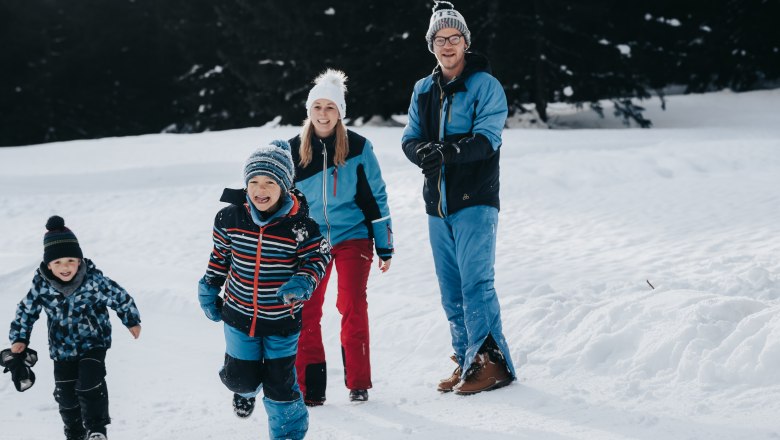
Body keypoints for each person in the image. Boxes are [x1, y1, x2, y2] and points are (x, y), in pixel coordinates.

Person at [401, 0, 516, 395]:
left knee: (476, 284)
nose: (447, 45)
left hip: (475, 199)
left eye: (454, 37)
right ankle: (467, 360)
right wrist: (421, 153)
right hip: (437, 205)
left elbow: (488, 138)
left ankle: (492, 364)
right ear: (431, 45)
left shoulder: (487, 85)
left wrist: (448, 152)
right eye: (439, 39)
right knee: (450, 289)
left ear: (466, 42)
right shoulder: (422, 89)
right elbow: (410, 137)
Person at [198, 140, 331, 439]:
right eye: (254, 182)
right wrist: (209, 286)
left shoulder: (301, 227)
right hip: (238, 316)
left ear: (284, 186)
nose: (261, 189)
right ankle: (245, 390)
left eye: (270, 182)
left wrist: (303, 281)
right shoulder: (230, 219)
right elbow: (220, 256)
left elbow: (318, 257)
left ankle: (287, 435)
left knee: (281, 386)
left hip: (281, 322)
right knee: (239, 379)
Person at [289, 69, 394, 405]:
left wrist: (385, 243)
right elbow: (277, 202)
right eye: (317, 106)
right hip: (309, 243)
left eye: (330, 107)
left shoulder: (360, 148)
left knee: (351, 304)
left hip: (353, 237)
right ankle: (310, 388)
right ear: (309, 111)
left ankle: (358, 383)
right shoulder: (291, 151)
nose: (323, 113)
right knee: (307, 309)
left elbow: (375, 196)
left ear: (340, 112)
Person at [7, 216, 142, 440]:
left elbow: (119, 296)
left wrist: (131, 320)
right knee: (66, 396)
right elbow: (27, 309)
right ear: (48, 265)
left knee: (89, 384)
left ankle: (97, 429)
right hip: (61, 350)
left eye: (70, 260)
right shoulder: (42, 285)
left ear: (79, 260)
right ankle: (74, 433)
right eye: (57, 262)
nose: (65, 267)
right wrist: (20, 338)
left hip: (94, 343)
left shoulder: (93, 281)